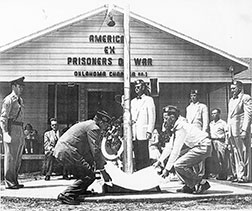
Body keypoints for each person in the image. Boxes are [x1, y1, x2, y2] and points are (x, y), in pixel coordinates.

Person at [53, 110, 112, 205]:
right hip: (68, 151)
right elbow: (95, 151)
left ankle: (80, 191)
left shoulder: (89, 124)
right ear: (101, 122)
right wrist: (102, 170)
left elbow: (89, 152)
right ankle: (66, 195)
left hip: (64, 150)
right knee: (89, 175)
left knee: (85, 171)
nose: (107, 126)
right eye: (106, 124)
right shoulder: (94, 128)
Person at [154, 105, 212, 194]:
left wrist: (167, 169)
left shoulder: (180, 127)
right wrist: (160, 160)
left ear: (172, 118)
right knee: (178, 162)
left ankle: (200, 183)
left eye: (166, 118)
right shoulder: (177, 126)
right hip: (197, 146)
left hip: (203, 146)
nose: (164, 121)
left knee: (178, 164)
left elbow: (175, 151)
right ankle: (190, 185)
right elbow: (170, 146)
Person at [0, 76, 25, 189]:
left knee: (18, 156)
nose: (21, 88)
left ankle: (14, 179)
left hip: (19, 128)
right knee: (10, 156)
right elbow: (3, 118)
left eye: (22, 86)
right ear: (13, 86)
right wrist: (5, 132)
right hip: (12, 128)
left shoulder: (20, 100)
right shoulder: (9, 100)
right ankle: (9, 182)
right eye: (19, 86)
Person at [227, 80, 252, 183]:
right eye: (231, 88)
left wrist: (245, 130)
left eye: (234, 88)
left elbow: (248, 114)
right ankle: (239, 174)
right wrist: (228, 131)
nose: (232, 90)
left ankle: (247, 175)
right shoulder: (231, 100)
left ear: (240, 88)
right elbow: (230, 116)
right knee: (236, 152)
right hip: (232, 130)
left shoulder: (246, 98)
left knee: (244, 151)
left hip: (241, 129)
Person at [131, 79, 156, 171]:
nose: (137, 89)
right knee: (136, 154)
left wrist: (150, 130)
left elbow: (152, 116)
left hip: (143, 132)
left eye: (139, 87)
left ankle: (145, 173)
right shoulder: (132, 101)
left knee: (144, 155)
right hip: (134, 132)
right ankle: (138, 173)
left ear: (143, 87)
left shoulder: (149, 100)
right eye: (135, 87)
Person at [186, 89, 209, 179]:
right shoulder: (188, 107)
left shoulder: (202, 106)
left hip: (198, 130)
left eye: (195, 95)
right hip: (190, 132)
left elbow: (205, 120)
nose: (193, 97)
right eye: (192, 96)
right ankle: (194, 174)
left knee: (200, 153)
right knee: (191, 153)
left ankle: (201, 174)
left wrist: (204, 132)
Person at [209, 108, 230, 180]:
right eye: (212, 113)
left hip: (221, 141)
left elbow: (227, 133)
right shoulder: (211, 123)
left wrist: (227, 143)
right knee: (216, 159)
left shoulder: (223, 123)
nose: (213, 115)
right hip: (213, 141)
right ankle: (218, 173)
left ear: (219, 114)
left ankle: (224, 174)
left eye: (215, 113)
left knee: (223, 158)